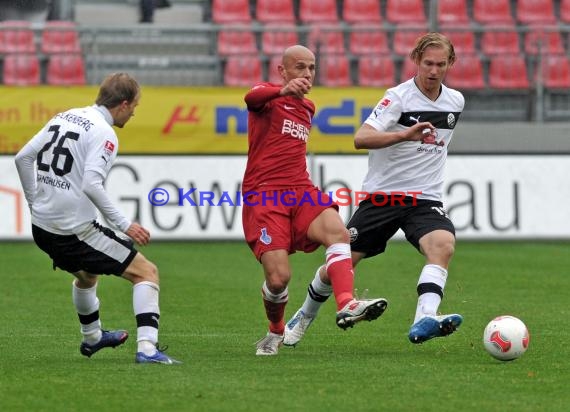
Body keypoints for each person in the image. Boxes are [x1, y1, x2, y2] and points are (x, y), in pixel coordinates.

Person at [284, 32, 464, 347]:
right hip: (384, 197)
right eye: (427, 64)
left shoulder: (455, 101)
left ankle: (425, 317)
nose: (433, 71)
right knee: (338, 265)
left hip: (425, 199)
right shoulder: (397, 98)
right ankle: (303, 316)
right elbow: (361, 138)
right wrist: (404, 135)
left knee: (443, 246)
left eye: (440, 64)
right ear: (416, 61)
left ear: (451, 63)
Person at [14, 72, 180, 365]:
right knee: (146, 272)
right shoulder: (104, 132)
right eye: (134, 107)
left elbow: (23, 158)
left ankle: (92, 338)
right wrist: (125, 225)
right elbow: (92, 184)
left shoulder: (66, 116)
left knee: (87, 277)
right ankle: (148, 349)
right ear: (123, 104)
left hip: (42, 227)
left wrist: (33, 201)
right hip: (72, 231)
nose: (134, 113)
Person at [242, 45, 387, 356]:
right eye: (299, 67)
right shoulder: (266, 98)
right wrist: (282, 91)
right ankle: (276, 330)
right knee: (279, 279)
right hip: (265, 195)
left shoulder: (308, 107)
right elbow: (250, 98)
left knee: (338, 232)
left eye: (311, 68)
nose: (306, 74)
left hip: (301, 189)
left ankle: (347, 302)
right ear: (282, 71)